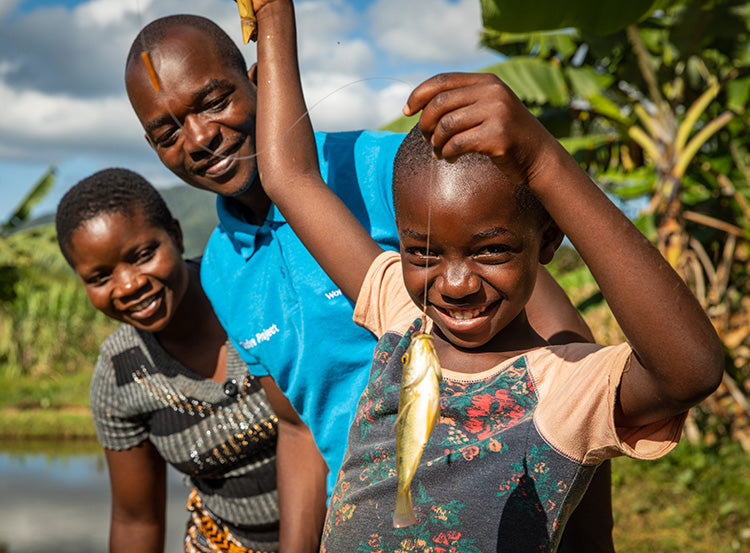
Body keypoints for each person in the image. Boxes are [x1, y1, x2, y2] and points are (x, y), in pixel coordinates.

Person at [124, 6, 615, 550]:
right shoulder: (219, 270)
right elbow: (298, 427)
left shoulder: (392, 173)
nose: (198, 137)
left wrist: (583, 534)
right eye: (166, 131)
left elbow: (564, 345)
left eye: (215, 101)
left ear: (261, 79)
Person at [250, 1, 724, 550]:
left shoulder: (562, 388)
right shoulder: (399, 314)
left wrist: (543, 161)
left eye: (491, 251)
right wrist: (274, 17)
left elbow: (690, 371)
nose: (454, 284)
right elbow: (291, 176)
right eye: (423, 254)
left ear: (546, 242)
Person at [54, 168, 324, 553]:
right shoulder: (120, 376)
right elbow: (136, 520)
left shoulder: (255, 297)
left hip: (342, 528)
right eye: (100, 277)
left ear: (176, 237)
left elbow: (316, 429)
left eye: (143, 255)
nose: (129, 285)